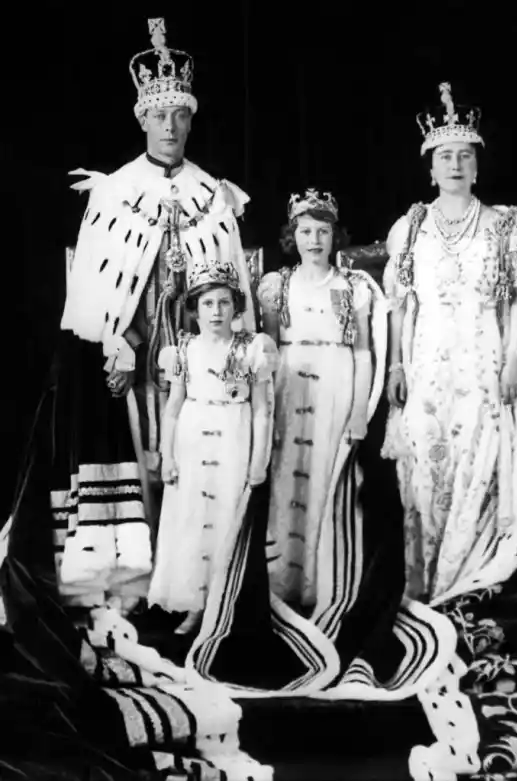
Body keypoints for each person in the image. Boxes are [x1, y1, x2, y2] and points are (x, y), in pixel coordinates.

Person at [51, 17, 254, 606]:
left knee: (196, 453)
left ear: (192, 119)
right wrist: (120, 339)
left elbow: (232, 285)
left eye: (180, 115)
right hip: (135, 352)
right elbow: (93, 291)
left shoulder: (212, 194)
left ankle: (196, 577)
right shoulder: (113, 193)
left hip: (199, 352)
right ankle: (139, 576)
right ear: (142, 118)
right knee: (142, 448)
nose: (170, 126)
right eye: (159, 116)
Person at [382, 82, 517, 605]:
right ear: (430, 167)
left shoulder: (506, 225)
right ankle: (421, 586)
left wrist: (515, 358)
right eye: (444, 156)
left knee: (476, 466)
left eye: (463, 156)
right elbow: (401, 303)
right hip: (427, 367)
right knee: (423, 466)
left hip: (483, 365)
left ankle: (463, 586)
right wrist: (395, 365)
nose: (454, 165)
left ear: (477, 166)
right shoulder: (410, 227)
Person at [257, 190, 384, 612]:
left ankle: (323, 585)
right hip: (290, 388)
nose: (314, 240)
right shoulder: (277, 286)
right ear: (293, 236)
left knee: (328, 484)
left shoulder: (352, 289)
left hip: (335, 385)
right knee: (287, 482)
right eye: (306, 231)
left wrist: (358, 414)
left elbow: (363, 352)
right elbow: (271, 348)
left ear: (335, 236)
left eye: (323, 231)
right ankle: (282, 584)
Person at [148, 258, 278, 634]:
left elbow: (262, 410)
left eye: (223, 302)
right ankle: (195, 603)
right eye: (207, 303)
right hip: (192, 437)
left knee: (226, 519)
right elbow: (172, 408)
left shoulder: (252, 348)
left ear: (236, 306)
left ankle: (224, 602)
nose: (216, 311)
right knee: (190, 519)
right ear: (194, 309)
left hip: (232, 438)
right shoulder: (183, 350)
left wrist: (259, 461)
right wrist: (166, 455)